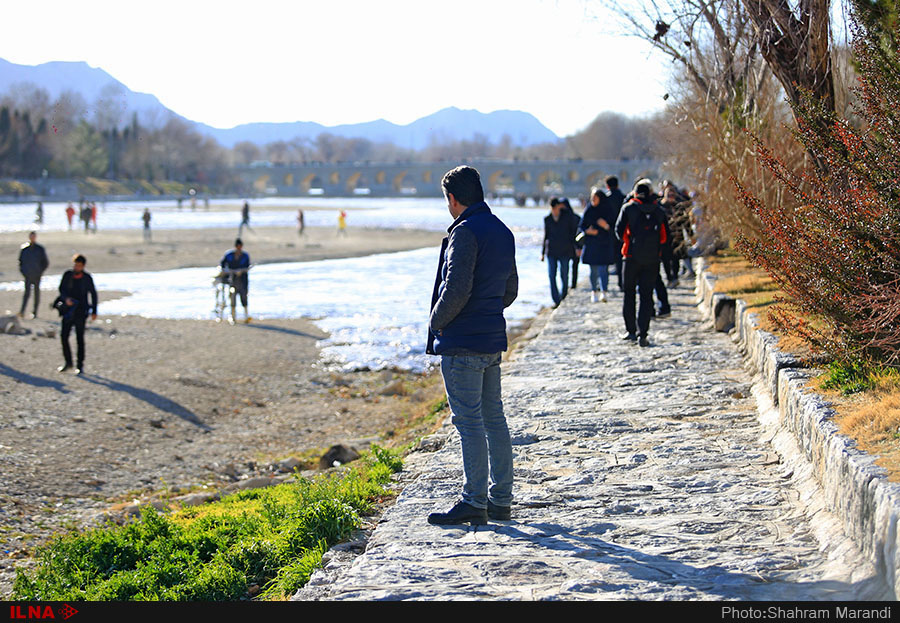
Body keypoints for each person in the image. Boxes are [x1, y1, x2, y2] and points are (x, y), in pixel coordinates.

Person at [426, 165, 518, 526]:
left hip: (462, 340)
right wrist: (488, 308)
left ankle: (474, 500)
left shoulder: (464, 232)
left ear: (453, 198)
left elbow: (456, 288)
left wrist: (436, 322)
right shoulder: (502, 231)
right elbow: (510, 290)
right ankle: (501, 500)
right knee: (494, 419)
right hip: (491, 337)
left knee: (469, 423)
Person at [615, 180, 668, 347]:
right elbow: (665, 236)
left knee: (628, 294)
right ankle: (643, 333)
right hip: (652, 259)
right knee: (646, 296)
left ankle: (630, 331)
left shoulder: (628, 208)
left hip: (631, 257)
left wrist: (629, 242)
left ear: (635, 193)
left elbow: (619, 231)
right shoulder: (659, 211)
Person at [57, 254, 98, 375]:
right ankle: (68, 362)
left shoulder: (87, 278)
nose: (77, 267)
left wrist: (94, 311)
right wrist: (66, 299)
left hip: (81, 311)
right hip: (68, 311)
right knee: (64, 336)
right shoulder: (68, 275)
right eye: (75, 264)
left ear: (83, 266)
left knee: (80, 338)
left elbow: (93, 294)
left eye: (79, 265)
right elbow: (61, 290)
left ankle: (80, 365)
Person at [579, 188, 617, 302]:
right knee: (593, 270)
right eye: (592, 198)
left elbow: (614, 228)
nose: (593, 200)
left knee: (603, 269)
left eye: (595, 198)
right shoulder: (589, 209)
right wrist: (587, 231)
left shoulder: (608, 210)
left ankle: (604, 291)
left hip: (604, 243)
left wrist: (605, 226)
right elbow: (581, 225)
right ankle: (594, 291)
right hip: (591, 244)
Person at [541, 197, 578, 306]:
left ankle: (564, 295)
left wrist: (576, 247)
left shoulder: (567, 217)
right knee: (551, 275)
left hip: (565, 251)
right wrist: (542, 253)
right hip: (551, 251)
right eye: (553, 209)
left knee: (564, 274)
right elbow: (546, 236)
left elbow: (572, 233)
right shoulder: (547, 219)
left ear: (559, 207)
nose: (555, 211)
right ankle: (556, 300)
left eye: (557, 208)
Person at [17, 231, 49, 319]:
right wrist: (24, 272)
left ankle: (35, 312)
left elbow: (45, 262)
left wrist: (40, 272)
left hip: (37, 275)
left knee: (36, 294)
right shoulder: (25, 249)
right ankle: (22, 311)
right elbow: (20, 262)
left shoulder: (39, 249)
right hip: (28, 275)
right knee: (26, 294)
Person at [220, 238, 251, 324]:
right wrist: (227, 272)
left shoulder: (245, 256)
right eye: (238, 247)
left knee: (244, 298)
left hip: (243, 280)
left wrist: (242, 271)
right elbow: (222, 265)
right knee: (232, 298)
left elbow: (248, 266)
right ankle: (233, 317)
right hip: (232, 280)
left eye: (240, 247)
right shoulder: (229, 255)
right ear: (235, 246)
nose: (239, 249)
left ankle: (246, 316)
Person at [605, 176, 627, 291]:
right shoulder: (623, 198)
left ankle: (604, 284)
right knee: (620, 257)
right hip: (621, 230)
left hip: (608, 230)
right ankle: (621, 282)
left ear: (607, 186)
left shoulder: (605, 199)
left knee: (607, 257)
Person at [560, 198, 582, 290]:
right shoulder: (576, 217)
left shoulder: (563, 218)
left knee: (565, 268)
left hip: (568, 245)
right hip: (576, 245)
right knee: (574, 266)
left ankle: (569, 286)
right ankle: (573, 284)